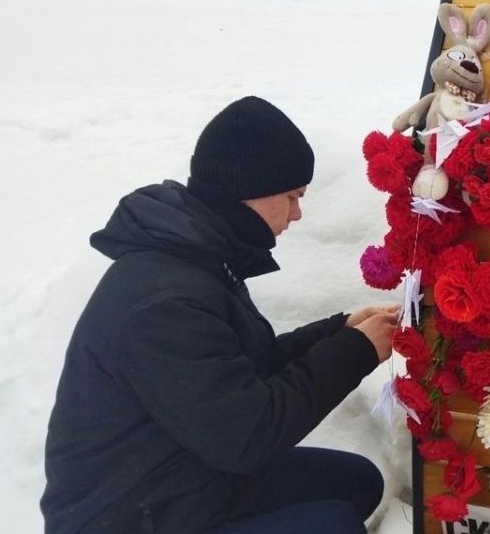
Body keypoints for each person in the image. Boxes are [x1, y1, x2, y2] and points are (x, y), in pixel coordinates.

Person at [41, 96, 399, 534]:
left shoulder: (196, 257)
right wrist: (355, 352)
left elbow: (241, 374)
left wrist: (338, 332)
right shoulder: (165, 303)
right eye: (291, 197)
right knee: (334, 526)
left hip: (181, 477)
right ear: (251, 190)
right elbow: (248, 436)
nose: (297, 213)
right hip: (130, 515)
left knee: (354, 483)